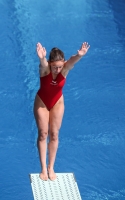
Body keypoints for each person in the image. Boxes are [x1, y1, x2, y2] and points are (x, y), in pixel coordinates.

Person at [34, 42, 90, 181]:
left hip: (57, 103)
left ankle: (51, 167)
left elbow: (71, 61)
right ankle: (43, 168)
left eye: (60, 67)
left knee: (54, 134)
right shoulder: (45, 70)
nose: (57, 70)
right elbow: (43, 64)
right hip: (42, 102)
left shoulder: (64, 69)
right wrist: (41, 58)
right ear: (50, 63)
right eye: (54, 67)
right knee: (43, 134)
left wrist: (79, 55)